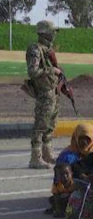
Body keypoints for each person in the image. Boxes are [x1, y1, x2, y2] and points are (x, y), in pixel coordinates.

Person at [25, 20, 62, 169]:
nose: (54, 34)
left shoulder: (48, 50)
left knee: (50, 124)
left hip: (52, 92)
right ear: (44, 32)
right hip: (44, 93)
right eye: (52, 31)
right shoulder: (36, 49)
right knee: (40, 125)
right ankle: (35, 157)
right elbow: (32, 71)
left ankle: (47, 154)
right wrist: (51, 70)